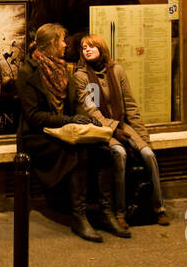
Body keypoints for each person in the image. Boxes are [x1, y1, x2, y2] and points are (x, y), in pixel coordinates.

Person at [75, 33, 171, 236]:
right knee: (119, 153)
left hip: (123, 125)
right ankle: (119, 212)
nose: (87, 50)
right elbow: (91, 110)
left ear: (101, 48)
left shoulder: (116, 71)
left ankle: (159, 208)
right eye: (84, 47)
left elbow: (130, 104)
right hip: (102, 128)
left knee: (148, 154)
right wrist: (113, 129)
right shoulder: (82, 76)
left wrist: (142, 137)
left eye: (91, 46)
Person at [15, 23, 101, 242]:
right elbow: (34, 116)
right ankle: (79, 217)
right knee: (74, 154)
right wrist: (68, 120)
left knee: (103, 148)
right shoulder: (28, 72)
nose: (66, 45)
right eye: (62, 40)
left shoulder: (63, 68)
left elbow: (74, 102)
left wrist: (87, 118)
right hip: (38, 135)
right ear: (52, 43)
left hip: (63, 128)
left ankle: (108, 212)